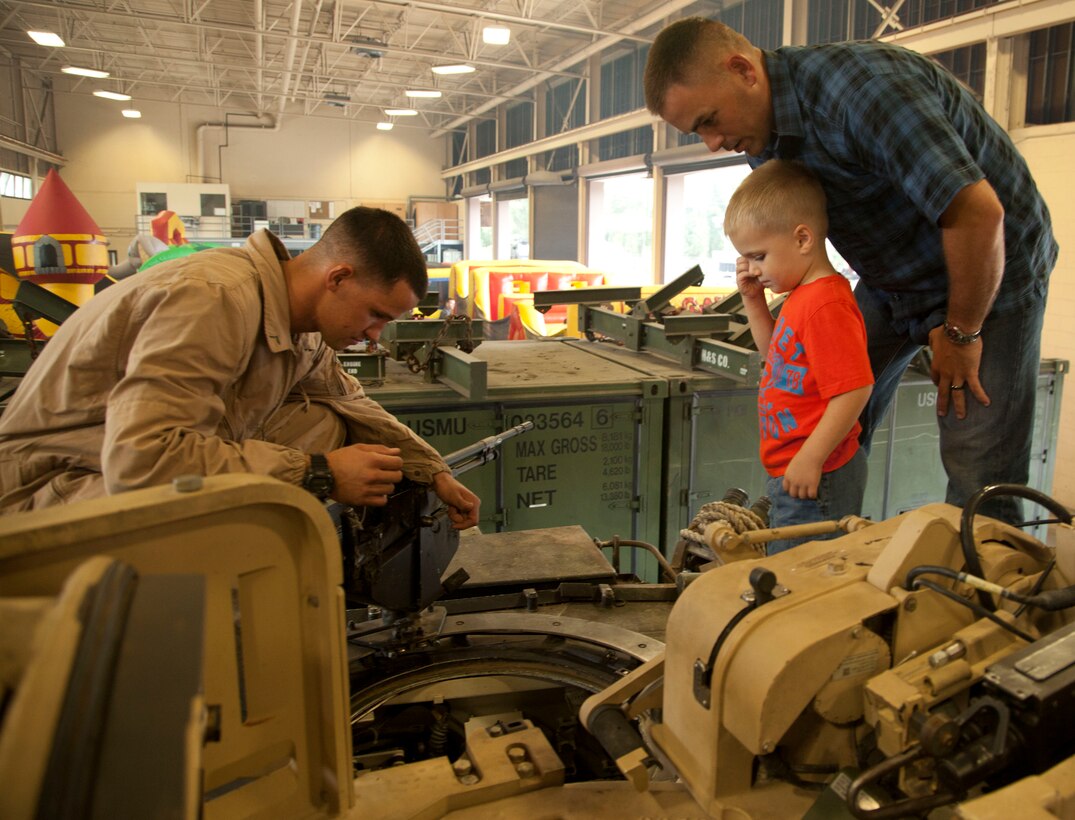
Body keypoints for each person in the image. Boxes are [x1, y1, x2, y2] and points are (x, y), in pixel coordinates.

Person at [644, 18, 1057, 525]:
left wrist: (962, 331)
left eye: (709, 120)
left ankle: (984, 574)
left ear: (742, 70)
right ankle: (813, 534)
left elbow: (978, 214)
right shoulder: (763, 141)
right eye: (697, 131)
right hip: (893, 279)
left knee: (979, 470)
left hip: (990, 268)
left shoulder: (861, 93)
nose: (711, 142)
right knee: (820, 412)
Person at [0, 206, 480, 529]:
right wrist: (318, 473)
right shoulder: (214, 299)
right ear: (337, 277)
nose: (377, 334)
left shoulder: (303, 326)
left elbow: (348, 398)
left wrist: (430, 470)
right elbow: (141, 459)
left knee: (330, 421)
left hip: (106, 470)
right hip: (49, 490)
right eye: (375, 314)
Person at [727, 160, 873, 553]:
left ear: (803, 239)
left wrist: (811, 457)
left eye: (759, 256)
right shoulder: (802, 297)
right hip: (796, 469)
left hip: (818, 475)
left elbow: (855, 389)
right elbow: (775, 356)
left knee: (800, 579)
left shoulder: (825, 304)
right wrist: (754, 302)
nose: (753, 270)